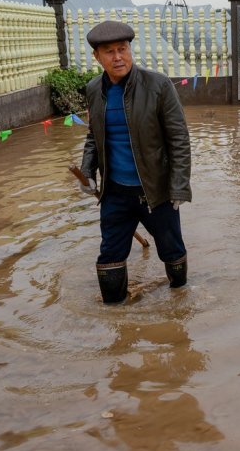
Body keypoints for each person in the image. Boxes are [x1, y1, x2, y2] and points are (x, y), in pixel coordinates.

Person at [78, 20, 191, 303]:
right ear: (97, 57)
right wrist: (87, 169)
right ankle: (115, 322)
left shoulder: (158, 85)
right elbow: (94, 135)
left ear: (130, 49)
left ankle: (180, 304)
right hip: (114, 193)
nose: (118, 57)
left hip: (156, 192)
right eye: (109, 52)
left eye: (123, 49)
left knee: (172, 251)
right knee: (110, 257)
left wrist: (178, 188)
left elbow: (179, 139)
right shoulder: (94, 89)